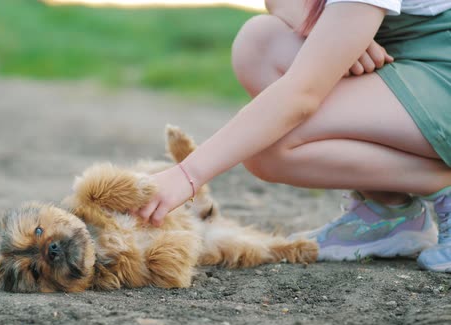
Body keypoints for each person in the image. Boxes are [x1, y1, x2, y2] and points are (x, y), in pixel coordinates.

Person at [135, 0, 451, 272]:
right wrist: (335, 33)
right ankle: (387, 214)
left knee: (269, 149)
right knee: (259, 42)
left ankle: (441, 184)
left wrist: (188, 174)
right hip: (410, 62)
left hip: (441, 71)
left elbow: (301, 95)